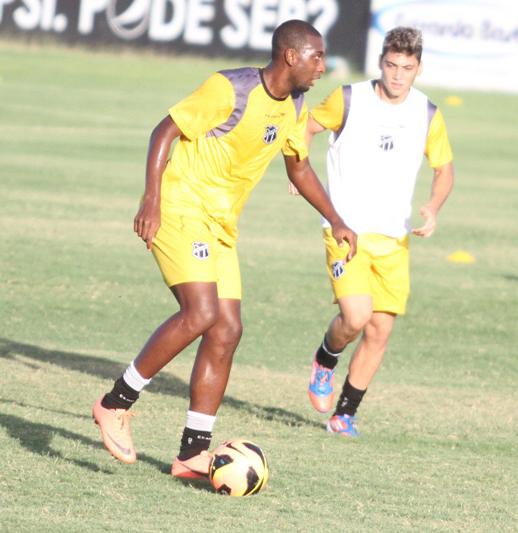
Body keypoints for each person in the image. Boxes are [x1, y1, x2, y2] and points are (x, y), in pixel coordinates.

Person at [92, 19, 357, 477]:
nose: (322, 66)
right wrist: (152, 199)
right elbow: (164, 131)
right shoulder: (229, 89)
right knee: (201, 314)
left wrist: (337, 220)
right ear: (290, 56)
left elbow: (299, 169)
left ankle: (193, 451)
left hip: (220, 225)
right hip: (179, 207)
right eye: (316, 57)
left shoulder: (296, 107)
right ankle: (115, 402)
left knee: (227, 330)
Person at [294, 26, 454, 437]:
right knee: (357, 316)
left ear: (419, 69)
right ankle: (326, 358)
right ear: (380, 62)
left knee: (380, 329)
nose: (398, 75)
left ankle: (345, 414)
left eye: (407, 67)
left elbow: (444, 168)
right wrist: (300, 170)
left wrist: (433, 207)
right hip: (345, 231)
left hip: (394, 238)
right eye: (391, 65)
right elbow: (307, 127)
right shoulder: (349, 99)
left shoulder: (427, 113)